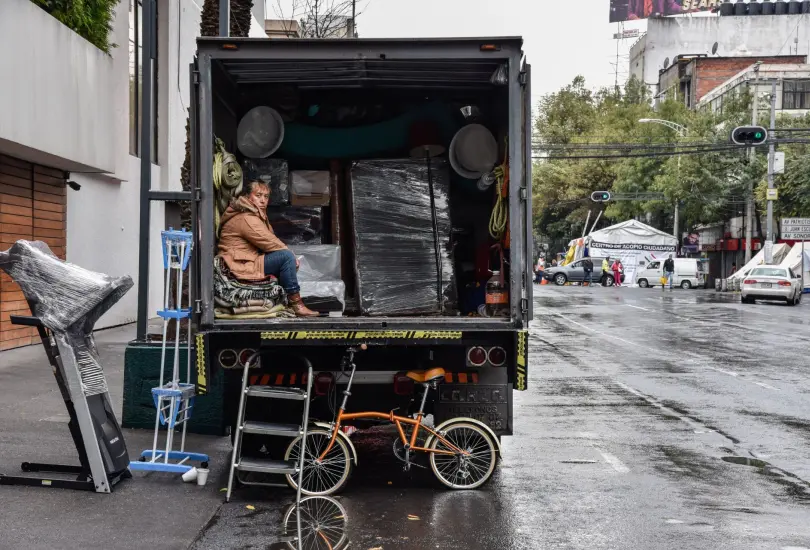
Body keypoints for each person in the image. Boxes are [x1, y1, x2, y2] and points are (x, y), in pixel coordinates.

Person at [217, 180, 319, 317]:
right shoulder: (246, 217)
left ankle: (287, 302)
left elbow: (270, 240)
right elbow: (268, 241)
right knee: (286, 258)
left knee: (284, 258)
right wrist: (291, 254)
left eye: (266, 196)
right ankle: (296, 304)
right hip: (239, 264)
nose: (263, 200)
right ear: (247, 196)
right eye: (258, 195)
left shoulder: (255, 215)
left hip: (248, 260)